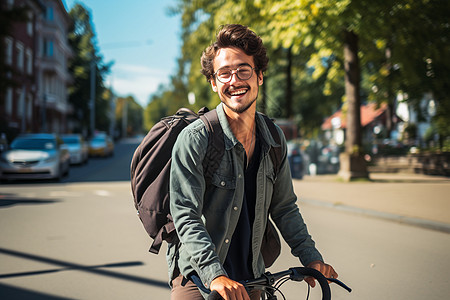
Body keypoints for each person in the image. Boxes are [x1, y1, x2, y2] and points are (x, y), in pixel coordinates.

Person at [168, 24, 338, 300]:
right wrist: (216, 275)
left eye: (243, 70)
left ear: (259, 76)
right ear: (213, 83)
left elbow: (284, 208)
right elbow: (186, 215)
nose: (234, 80)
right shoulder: (196, 139)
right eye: (224, 73)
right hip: (199, 275)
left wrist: (311, 258)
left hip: (251, 277)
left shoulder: (273, 138)